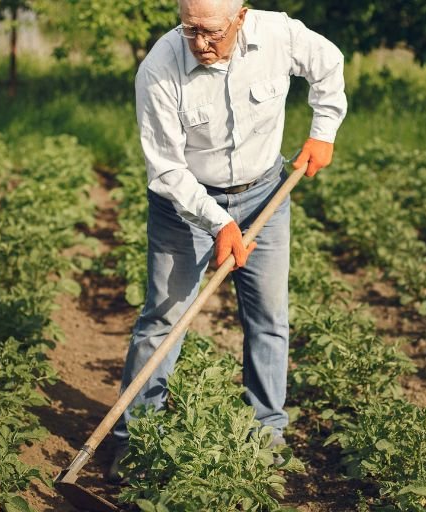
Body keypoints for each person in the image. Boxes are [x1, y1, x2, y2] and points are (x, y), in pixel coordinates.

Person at [107, 0, 347, 482]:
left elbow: (328, 63)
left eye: (212, 32)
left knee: (269, 319)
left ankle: (267, 436)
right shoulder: (159, 67)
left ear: (241, 16)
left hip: (266, 194)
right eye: (190, 29)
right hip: (186, 207)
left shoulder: (277, 35)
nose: (200, 43)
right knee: (163, 319)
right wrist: (218, 223)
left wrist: (323, 131)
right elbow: (167, 169)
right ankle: (135, 442)